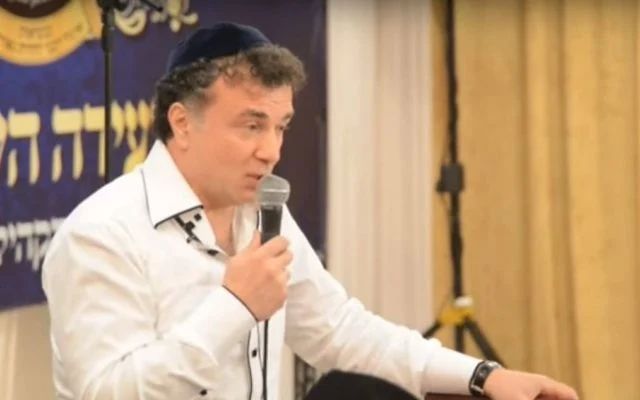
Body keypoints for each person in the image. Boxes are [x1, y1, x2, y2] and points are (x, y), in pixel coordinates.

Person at [42, 22, 578, 400]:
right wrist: (234, 305)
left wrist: (483, 376)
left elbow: (340, 332)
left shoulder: (261, 214)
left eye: (281, 127)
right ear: (182, 123)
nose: (271, 150)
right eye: (252, 125)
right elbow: (105, 393)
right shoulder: (102, 233)